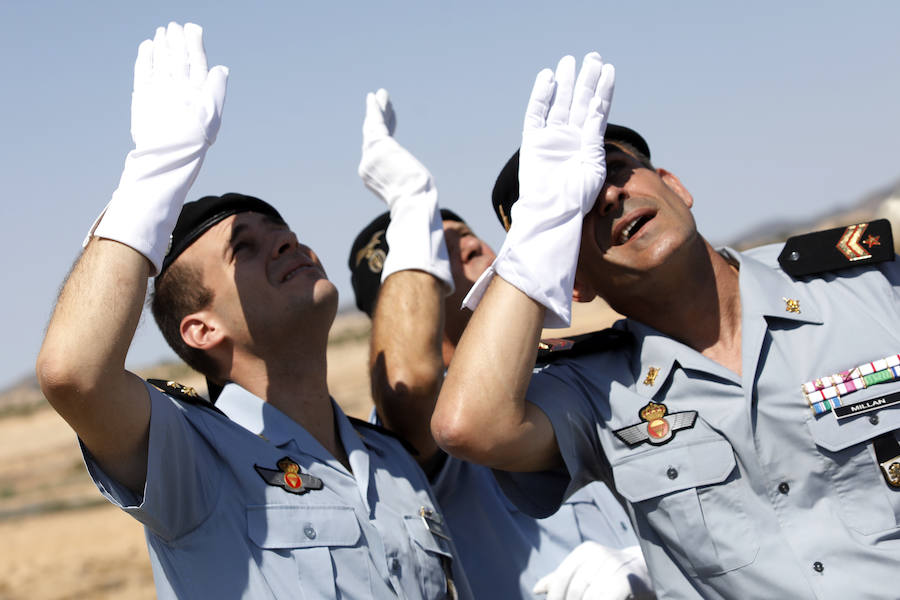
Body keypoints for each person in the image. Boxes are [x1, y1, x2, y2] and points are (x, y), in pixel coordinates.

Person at [431, 52, 900, 599]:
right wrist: (538, 228)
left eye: (615, 168)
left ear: (675, 186)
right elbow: (467, 426)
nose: (606, 196)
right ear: (570, 281)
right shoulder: (594, 393)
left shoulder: (866, 286)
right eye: (576, 209)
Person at [36, 22, 471, 600]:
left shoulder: (392, 460)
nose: (288, 243)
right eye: (245, 249)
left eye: (284, 232)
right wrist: (154, 175)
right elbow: (75, 373)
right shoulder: (195, 460)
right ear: (201, 328)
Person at [349, 88, 654, 599]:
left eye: (467, 231)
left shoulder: (577, 365)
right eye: (439, 249)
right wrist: (411, 199)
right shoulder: (425, 421)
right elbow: (408, 382)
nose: (469, 243)